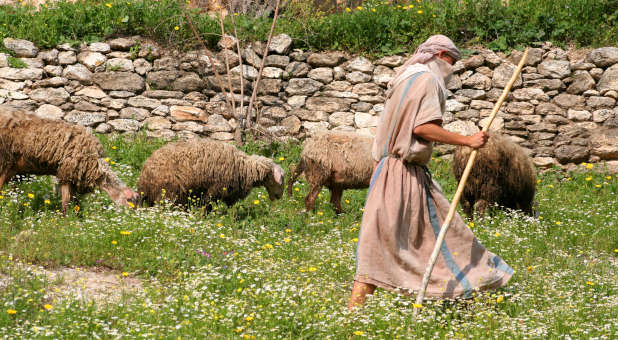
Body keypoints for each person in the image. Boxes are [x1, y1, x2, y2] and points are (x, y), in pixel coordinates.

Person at [348, 35, 513, 309]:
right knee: (437, 238)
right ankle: (476, 284)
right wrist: (467, 140)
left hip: (385, 172)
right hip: (404, 176)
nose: (452, 67)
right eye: (452, 60)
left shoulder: (402, 80)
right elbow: (422, 128)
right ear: (439, 56)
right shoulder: (426, 80)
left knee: (378, 247)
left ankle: (354, 318)